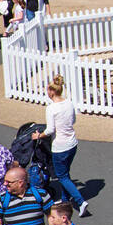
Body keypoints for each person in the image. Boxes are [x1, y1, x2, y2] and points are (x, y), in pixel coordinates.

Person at [34, 75, 87, 216]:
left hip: (60, 146)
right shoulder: (69, 103)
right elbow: (73, 120)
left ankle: (80, 201)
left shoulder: (51, 108)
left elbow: (50, 130)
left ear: (51, 91)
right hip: (72, 144)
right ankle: (65, 200)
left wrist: (38, 135)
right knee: (66, 173)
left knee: (62, 176)